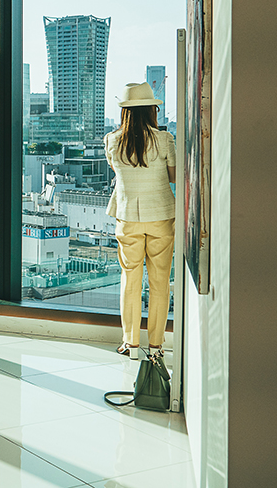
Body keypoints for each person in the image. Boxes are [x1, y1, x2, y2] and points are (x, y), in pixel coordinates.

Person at [104, 82, 176, 359]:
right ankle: (156, 346)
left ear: (124, 111)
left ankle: (130, 344)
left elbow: (118, 172)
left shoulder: (112, 140)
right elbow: (173, 176)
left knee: (130, 280)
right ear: (151, 110)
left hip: (128, 219)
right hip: (161, 217)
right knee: (159, 283)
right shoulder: (164, 139)